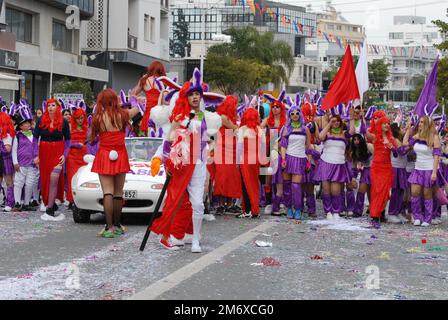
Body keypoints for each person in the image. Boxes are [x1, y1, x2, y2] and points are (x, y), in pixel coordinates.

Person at [150, 68, 223, 252]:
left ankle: (195, 239)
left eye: (198, 94)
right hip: (181, 165)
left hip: (198, 165)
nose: (195, 97)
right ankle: (168, 235)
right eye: (192, 95)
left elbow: (206, 139)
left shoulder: (203, 116)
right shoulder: (179, 117)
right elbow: (168, 141)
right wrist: (166, 161)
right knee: (175, 201)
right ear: (186, 98)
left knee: (198, 203)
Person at [90, 89, 140, 238]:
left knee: (107, 191)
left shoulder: (98, 117)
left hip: (105, 154)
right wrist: (134, 99)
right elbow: (137, 109)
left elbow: (91, 139)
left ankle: (109, 227)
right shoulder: (123, 114)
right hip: (120, 153)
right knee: (118, 192)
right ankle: (117, 225)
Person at [33, 99, 71, 220]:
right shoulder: (40, 121)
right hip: (44, 153)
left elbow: (68, 141)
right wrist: (36, 155)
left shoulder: (64, 122)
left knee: (54, 178)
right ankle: (51, 203)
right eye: (48, 105)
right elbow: (34, 140)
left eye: (53, 105)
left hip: (57, 153)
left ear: (57, 107)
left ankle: (49, 209)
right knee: (45, 180)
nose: (50, 107)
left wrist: (65, 154)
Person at [403, 115, 441, 227]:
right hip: (418, 169)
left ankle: (427, 218)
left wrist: (434, 172)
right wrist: (408, 129)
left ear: (428, 124)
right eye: (419, 122)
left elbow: (436, 156)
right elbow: (405, 143)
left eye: (422, 122)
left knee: (427, 194)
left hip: (429, 169)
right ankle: (417, 217)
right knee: (414, 193)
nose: (420, 124)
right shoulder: (417, 136)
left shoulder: (434, 137)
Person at [315, 114, 353, 219]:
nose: (335, 123)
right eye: (333, 121)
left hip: (339, 164)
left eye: (337, 121)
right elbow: (320, 137)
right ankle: (328, 211)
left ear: (340, 123)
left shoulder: (344, 134)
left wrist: (353, 118)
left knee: (335, 190)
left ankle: (336, 211)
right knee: (326, 190)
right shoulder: (327, 133)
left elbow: (352, 131)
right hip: (326, 162)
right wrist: (328, 124)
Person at [279, 104, 312, 220]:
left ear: (300, 114)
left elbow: (308, 146)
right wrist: (283, 159)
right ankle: (289, 208)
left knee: (296, 186)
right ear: (289, 115)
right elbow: (283, 145)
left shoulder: (305, 129)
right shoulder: (286, 128)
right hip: (288, 158)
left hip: (300, 159)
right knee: (287, 185)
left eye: (297, 113)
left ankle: (298, 209)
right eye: (292, 113)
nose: (295, 115)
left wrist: (308, 161)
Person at [370, 116, 400, 228]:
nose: (387, 125)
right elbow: (365, 132)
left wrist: (392, 148)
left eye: (388, 123)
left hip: (387, 168)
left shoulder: (391, 138)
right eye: (384, 123)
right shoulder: (375, 137)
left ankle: (380, 212)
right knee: (377, 191)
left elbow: (397, 155)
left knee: (385, 192)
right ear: (380, 125)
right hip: (376, 168)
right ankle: (374, 216)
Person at [213, 95, 241, 214]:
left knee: (231, 177)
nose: (236, 107)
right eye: (234, 104)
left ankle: (229, 204)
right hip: (223, 149)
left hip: (232, 149)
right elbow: (235, 128)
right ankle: (221, 204)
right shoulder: (223, 117)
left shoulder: (231, 116)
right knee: (222, 176)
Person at [236, 107, 266, 219]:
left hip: (245, 160)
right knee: (254, 184)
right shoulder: (260, 130)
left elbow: (239, 148)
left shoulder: (242, 129)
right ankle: (254, 209)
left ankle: (248, 209)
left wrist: (237, 162)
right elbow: (263, 148)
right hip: (256, 160)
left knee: (245, 184)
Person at [12, 103, 39, 211]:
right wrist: (15, 162)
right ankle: (18, 203)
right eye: (25, 123)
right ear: (20, 126)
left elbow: (38, 147)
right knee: (19, 182)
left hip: (32, 164)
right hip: (21, 164)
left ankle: (27, 203)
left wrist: (38, 159)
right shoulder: (17, 136)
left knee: (29, 183)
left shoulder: (35, 135)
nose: (27, 124)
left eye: (28, 122)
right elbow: (14, 150)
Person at [132, 61, 166, 135]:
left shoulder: (144, 80)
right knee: (160, 136)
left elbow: (133, 93)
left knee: (149, 137)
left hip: (148, 111)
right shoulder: (163, 80)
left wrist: (139, 98)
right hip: (159, 111)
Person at [66, 101, 88, 208]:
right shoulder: (70, 128)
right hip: (73, 157)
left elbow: (90, 140)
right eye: (78, 118)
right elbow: (66, 142)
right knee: (72, 178)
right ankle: (71, 200)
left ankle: (81, 200)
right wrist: (75, 144)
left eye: (82, 118)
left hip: (83, 157)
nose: (80, 120)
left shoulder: (86, 128)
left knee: (82, 178)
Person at [388, 123, 410, 224]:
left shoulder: (400, 140)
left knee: (401, 191)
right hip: (395, 168)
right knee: (395, 191)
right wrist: (409, 145)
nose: (403, 129)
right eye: (401, 128)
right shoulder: (395, 140)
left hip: (401, 168)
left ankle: (397, 211)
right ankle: (392, 213)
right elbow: (402, 152)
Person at [0, 109, 16, 212]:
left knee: (8, 181)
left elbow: (7, 149)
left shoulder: (7, 135)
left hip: (5, 159)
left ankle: (10, 202)